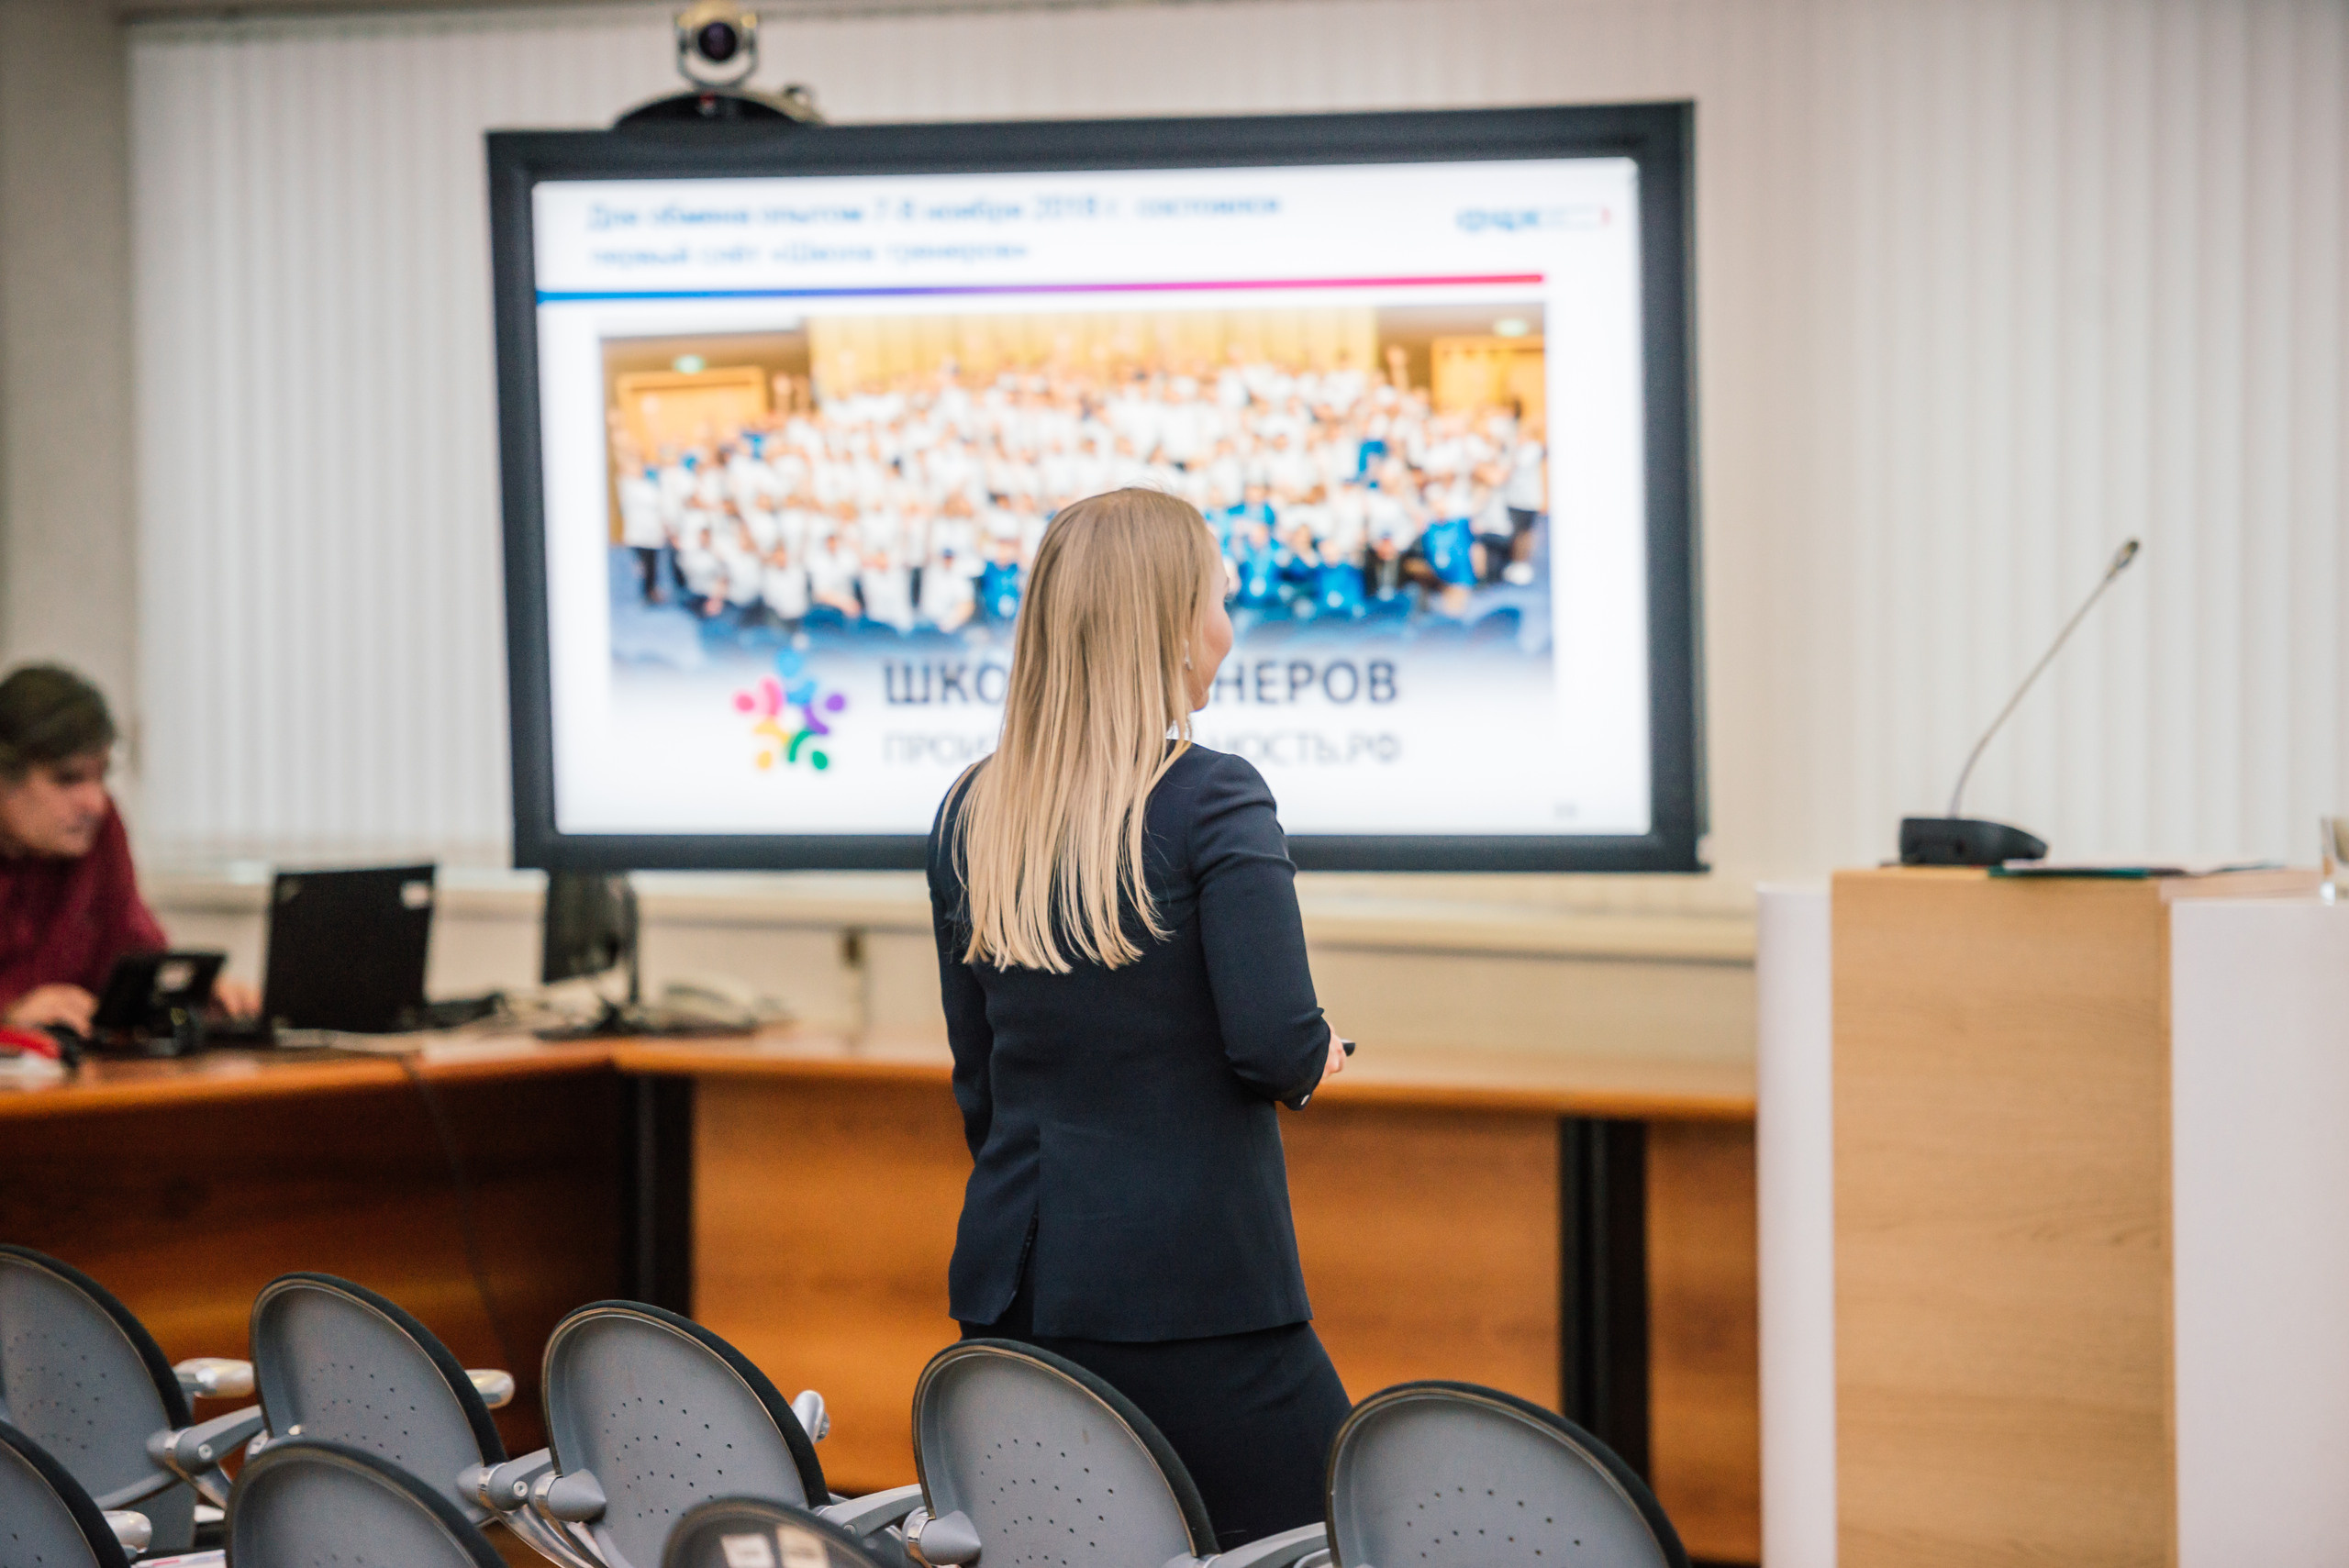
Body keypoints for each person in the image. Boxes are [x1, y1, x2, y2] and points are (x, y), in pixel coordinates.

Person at [927, 488, 1353, 1550]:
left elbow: (979, 1077)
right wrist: (1318, 1058)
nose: (1229, 625)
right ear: (1172, 627)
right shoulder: (1214, 797)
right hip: (1202, 1299)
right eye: (1220, 598)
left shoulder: (971, 808)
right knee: (1342, 1532)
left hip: (1016, 1294)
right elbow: (1271, 1040)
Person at [0, 664, 259, 1032]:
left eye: (101, 776)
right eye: (68, 779)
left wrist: (189, 998)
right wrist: (8, 1018)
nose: (95, 802)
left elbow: (134, 948)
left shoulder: (100, 832)